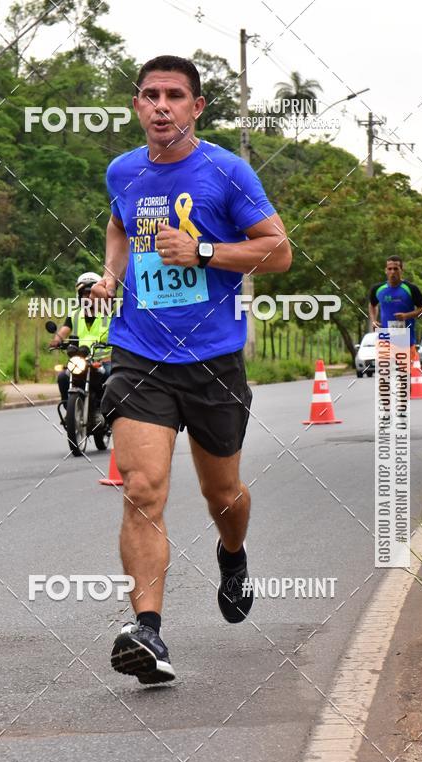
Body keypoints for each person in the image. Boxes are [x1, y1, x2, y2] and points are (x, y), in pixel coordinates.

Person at [90, 54, 292, 685]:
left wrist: (204, 250)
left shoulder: (226, 172)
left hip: (213, 362)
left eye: (175, 95)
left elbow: (278, 251)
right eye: (149, 95)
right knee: (143, 489)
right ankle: (146, 631)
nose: (161, 105)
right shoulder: (122, 170)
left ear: (196, 107)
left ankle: (232, 555)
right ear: (136, 106)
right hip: (139, 355)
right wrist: (111, 277)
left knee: (221, 494)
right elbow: (119, 225)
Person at [49, 271, 112, 405]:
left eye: (92, 293)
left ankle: (108, 411)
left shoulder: (110, 314)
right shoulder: (75, 315)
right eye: (85, 294)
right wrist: (56, 341)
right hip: (80, 360)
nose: (88, 297)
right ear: (79, 296)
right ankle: (71, 410)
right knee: (62, 377)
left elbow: (121, 334)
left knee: (111, 377)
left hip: (104, 361)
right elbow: (64, 331)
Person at [368, 256, 422, 359]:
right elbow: (372, 305)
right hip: (384, 337)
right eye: (389, 269)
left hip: (405, 337)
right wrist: (373, 320)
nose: (392, 272)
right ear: (385, 270)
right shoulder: (377, 289)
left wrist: (406, 316)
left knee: (404, 374)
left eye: (396, 269)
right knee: (386, 374)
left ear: (401, 270)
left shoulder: (410, 288)